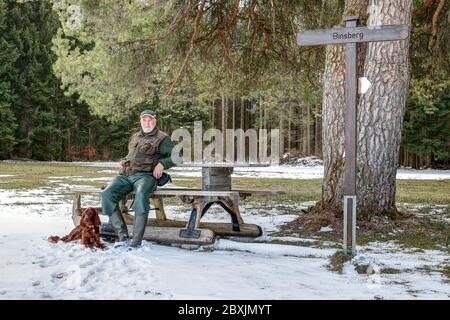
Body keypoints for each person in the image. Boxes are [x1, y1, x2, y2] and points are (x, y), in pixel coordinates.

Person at [101, 109, 178, 247]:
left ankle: (135, 243)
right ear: (140, 121)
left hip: (146, 176)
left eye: (150, 120)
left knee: (141, 195)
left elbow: (177, 157)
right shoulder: (135, 137)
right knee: (107, 194)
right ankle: (122, 237)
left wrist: (162, 163)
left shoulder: (162, 138)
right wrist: (124, 160)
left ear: (155, 120)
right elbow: (132, 155)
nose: (147, 122)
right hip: (125, 175)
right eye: (144, 120)